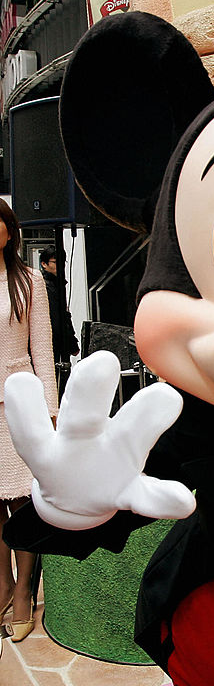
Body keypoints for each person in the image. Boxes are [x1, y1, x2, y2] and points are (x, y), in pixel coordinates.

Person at [0, 201, 57, 642]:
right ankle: (2, 587)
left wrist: (50, 410)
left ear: (9, 230)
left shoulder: (29, 280)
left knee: (23, 502)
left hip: (18, 404)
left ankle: (24, 593)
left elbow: (43, 350)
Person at [39, 246, 79, 396]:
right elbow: (58, 318)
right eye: (56, 262)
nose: (60, 266)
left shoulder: (56, 284)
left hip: (56, 343)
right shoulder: (47, 286)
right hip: (53, 344)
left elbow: (63, 315)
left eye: (62, 262)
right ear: (44, 264)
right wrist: (70, 343)